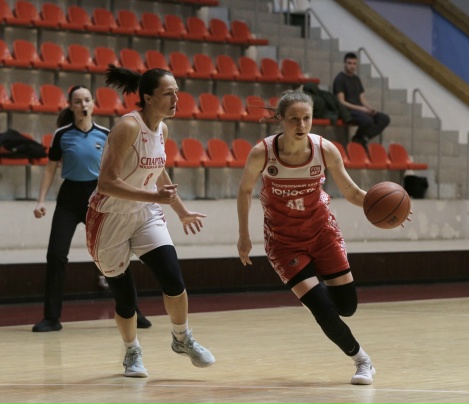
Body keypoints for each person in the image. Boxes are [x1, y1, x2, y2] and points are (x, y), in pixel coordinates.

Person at [237, 90, 402, 385]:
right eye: (294, 119)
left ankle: (318, 292)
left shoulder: (325, 149)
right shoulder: (263, 152)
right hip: (283, 242)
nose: (301, 125)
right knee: (322, 310)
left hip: (323, 233)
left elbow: (352, 192)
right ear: (281, 119)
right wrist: (243, 236)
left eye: (307, 118)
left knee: (347, 308)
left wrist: (392, 210)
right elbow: (245, 190)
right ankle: (362, 361)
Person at [86, 65, 215, 378]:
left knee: (173, 277)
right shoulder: (127, 127)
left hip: (145, 214)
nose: (176, 99)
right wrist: (154, 196)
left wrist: (180, 210)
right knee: (126, 298)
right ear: (147, 97)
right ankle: (132, 350)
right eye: (168, 94)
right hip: (109, 217)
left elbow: (158, 171)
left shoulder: (162, 130)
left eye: (177, 93)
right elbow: (106, 183)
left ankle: (182, 338)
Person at [32, 85, 151, 333]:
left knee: (113, 254)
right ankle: (51, 318)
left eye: (87, 100)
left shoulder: (106, 133)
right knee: (55, 255)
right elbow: (51, 168)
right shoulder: (61, 134)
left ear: (93, 104)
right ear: (71, 106)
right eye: (78, 101)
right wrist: (41, 200)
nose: (83, 105)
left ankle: (132, 311)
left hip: (98, 197)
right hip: (69, 198)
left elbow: (119, 168)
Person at [333, 52, 391, 151]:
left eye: (354, 64)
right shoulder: (340, 79)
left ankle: (361, 138)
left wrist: (369, 108)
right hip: (347, 110)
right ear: (345, 63)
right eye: (349, 63)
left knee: (384, 118)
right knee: (367, 120)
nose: (352, 66)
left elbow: (362, 98)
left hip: (359, 109)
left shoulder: (356, 79)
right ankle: (358, 139)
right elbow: (341, 101)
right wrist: (361, 109)